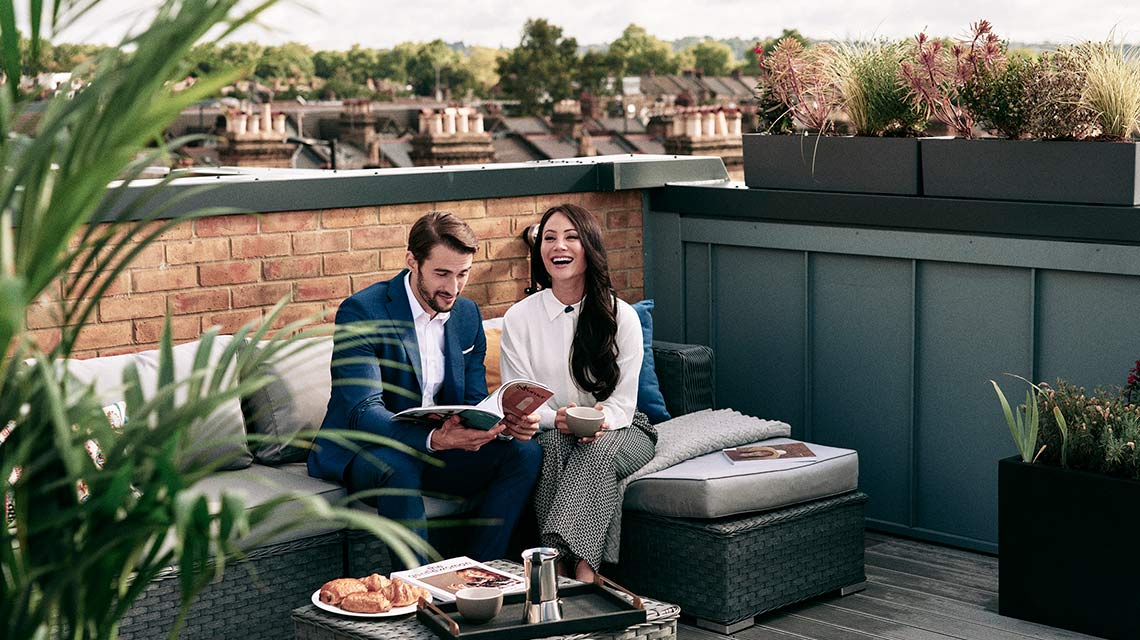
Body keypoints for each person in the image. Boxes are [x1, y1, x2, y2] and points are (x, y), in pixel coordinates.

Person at [308, 211, 542, 562]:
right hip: (369, 449)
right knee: (398, 465)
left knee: (524, 453)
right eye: (441, 274)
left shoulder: (466, 315)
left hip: (440, 447)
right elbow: (363, 411)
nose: (453, 288)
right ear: (412, 262)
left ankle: (480, 572)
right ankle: (418, 586)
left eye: (463, 274)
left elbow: (474, 400)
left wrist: (502, 424)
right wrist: (434, 439)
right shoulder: (363, 312)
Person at [499, 204, 658, 582]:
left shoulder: (621, 316)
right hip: (551, 430)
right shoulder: (519, 318)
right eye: (549, 238)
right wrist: (556, 419)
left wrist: (598, 420)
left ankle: (573, 567)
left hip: (624, 428)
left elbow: (624, 404)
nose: (559, 246)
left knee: (595, 451)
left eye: (571, 237)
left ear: (590, 246)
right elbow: (518, 397)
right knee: (554, 448)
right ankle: (574, 574)